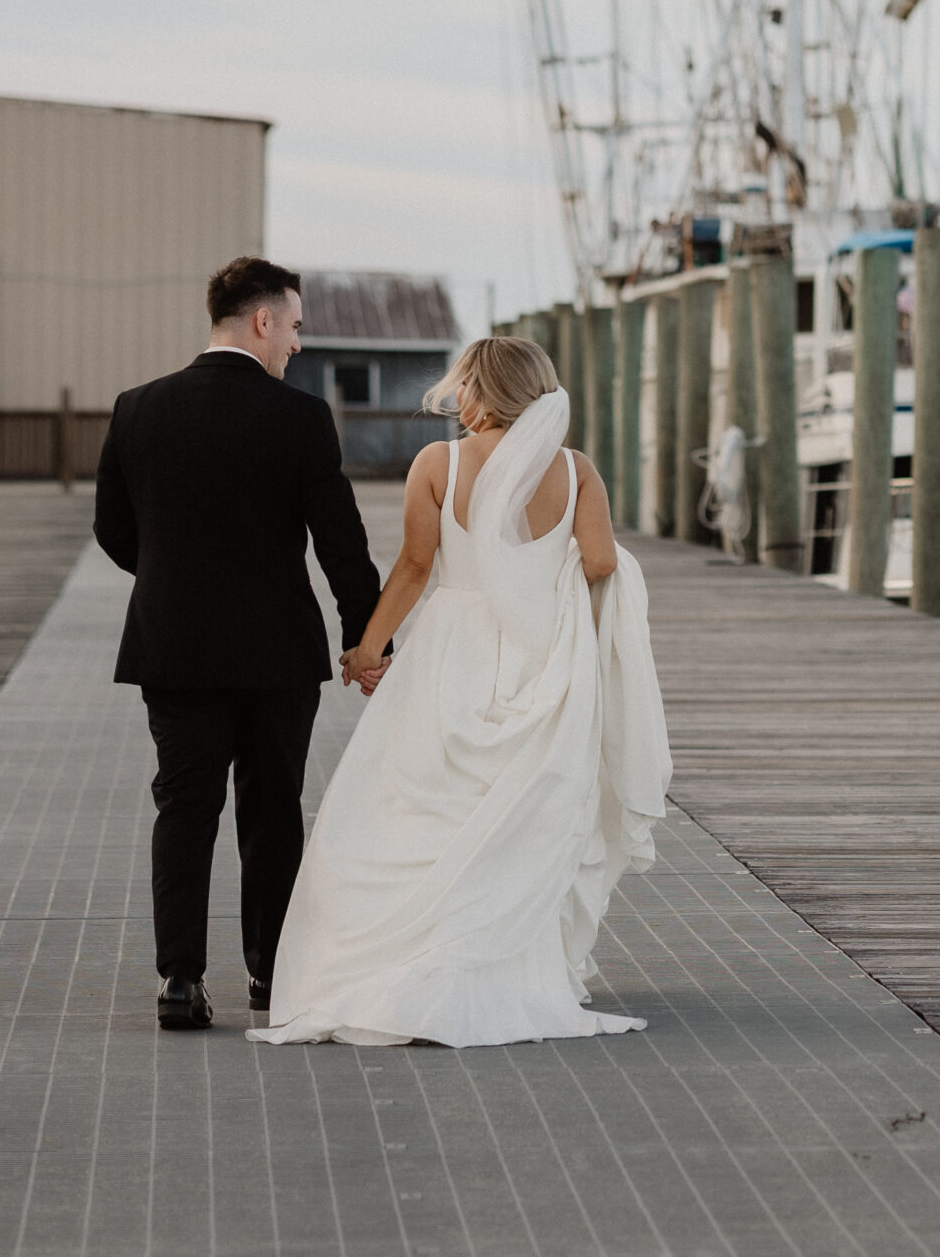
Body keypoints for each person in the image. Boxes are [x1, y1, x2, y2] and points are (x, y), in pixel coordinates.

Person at [249, 335, 670, 1049]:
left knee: (419, 804)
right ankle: (496, 967)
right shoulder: (575, 470)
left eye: (463, 385)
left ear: (480, 389)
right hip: (540, 659)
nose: (458, 397)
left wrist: (367, 646)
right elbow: (599, 561)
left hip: (453, 652)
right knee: (515, 814)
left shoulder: (438, 463)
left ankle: (402, 962)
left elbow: (415, 564)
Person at [93, 256, 383, 1031]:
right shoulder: (300, 418)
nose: (295, 341)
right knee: (272, 810)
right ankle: (271, 976)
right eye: (292, 325)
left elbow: (115, 532)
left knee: (184, 808)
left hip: (174, 645)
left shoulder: (137, 408)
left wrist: (175, 575)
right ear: (262, 321)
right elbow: (341, 543)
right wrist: (368, 636)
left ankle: (181, 981)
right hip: (275, 650)